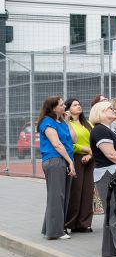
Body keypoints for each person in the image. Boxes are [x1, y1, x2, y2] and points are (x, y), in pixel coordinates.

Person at [89, 100, 116, 257]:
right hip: (108, 175)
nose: (113, 110)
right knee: (115, 212)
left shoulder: (111, 129)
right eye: (109, 108)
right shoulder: (99, 130)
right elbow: (111, 154)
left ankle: (112, 249)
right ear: (100, 112)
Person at [37, 96, 75, 240]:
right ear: (53, 108)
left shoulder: (61, 122)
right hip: (55, 160)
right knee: (56, 196)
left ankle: (50, 227)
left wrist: (68, 121)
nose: (64, 106)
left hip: (63, 160)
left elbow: (73, 139)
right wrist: (70, 162)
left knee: (60, 195)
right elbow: (57, 144)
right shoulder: (47, 122)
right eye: (61, 104)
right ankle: (55, 232)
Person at [64, 98, 95, 233]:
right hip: (76, 158)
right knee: (76, 191)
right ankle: (71, 223)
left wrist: (90, 154)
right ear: (68, 109)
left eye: (79, 104)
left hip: (90, 158)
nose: (78, 106)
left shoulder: (87, 123)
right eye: (75, 105)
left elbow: (94, 141)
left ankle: (84, 223)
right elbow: (69, 143)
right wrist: (84, 150)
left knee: (88, 191)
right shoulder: (67, 124)